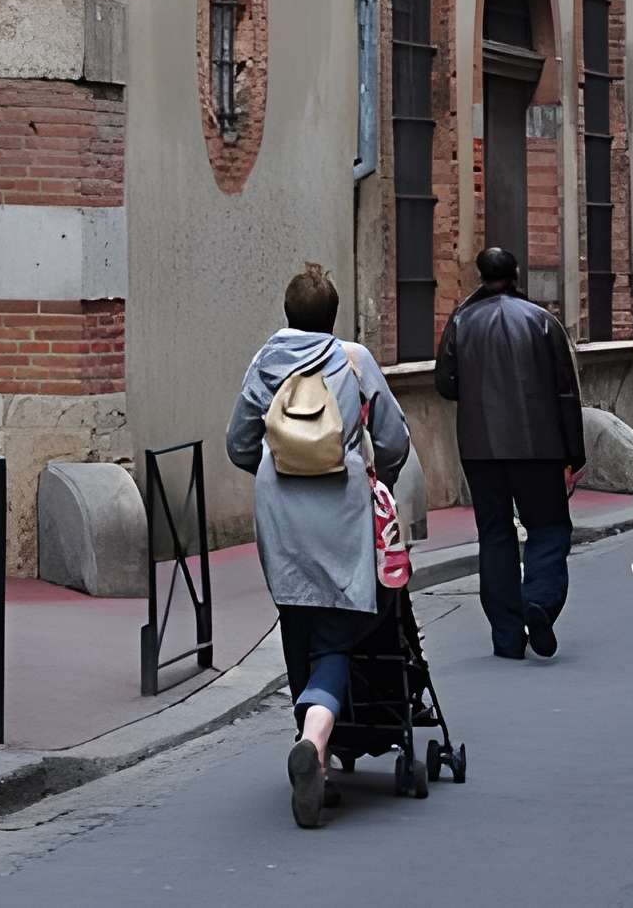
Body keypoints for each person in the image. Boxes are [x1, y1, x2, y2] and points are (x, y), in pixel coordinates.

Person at [228, 261, 410, 831]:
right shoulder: (353, 360)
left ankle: (318, 758)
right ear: (333, 316)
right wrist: (378, 470)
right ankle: (314, 739)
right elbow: (393, 439)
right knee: (335, 632)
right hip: (341, 510)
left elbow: (239, 442)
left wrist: (272, 467)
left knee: (297, 619)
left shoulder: (263, 363)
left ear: (288, 314)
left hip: (280, 511)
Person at [435, 242, 585, 661]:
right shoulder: (541, 321)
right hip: (539, 446)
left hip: (480, 447)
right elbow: (565, 392)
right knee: (549, 528)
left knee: (495, 535)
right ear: (516, 274)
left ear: (479, 277)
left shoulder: (462, 321)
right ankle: (538, 599)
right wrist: (575, 455)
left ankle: (505, 636)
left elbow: (446, 384)